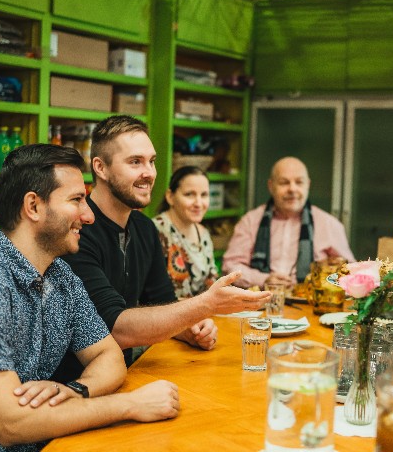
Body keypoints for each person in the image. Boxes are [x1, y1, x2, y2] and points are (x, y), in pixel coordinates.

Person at [0, 145, 180, 451]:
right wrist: (130, 405)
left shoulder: (60, 276)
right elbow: (11, 423)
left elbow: (109, 356)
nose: (89, 215)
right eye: (77, 200)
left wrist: (78, 390)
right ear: (33, 206)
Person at [53, 115, 270, 382]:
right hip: (73, 388)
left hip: (127, 376)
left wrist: (188, 327)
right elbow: (114, 329)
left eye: (151, 161)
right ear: (101, 167)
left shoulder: (144, 229)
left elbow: (161, 303)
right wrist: (203, 306)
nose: (149, 173)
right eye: (135, 162)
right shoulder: (77, 231)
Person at [222, 156, 355, 288]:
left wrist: (320, 281)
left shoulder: (329, 224)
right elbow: (230, 267)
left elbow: (350, 271)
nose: (292, 189)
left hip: (312, 304)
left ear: (307, 185)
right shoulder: (250, 221)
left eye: (299, 182)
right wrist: (263, 280)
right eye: (284, 182)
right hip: (260, 302)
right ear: (270, 186)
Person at [153, 166, 218, 299]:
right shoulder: (154, 230)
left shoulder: (203, 233)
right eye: (189, 194)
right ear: (170, 197)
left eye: (204, 195)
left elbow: (212, 284)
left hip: (203, 315)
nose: (199, 203)